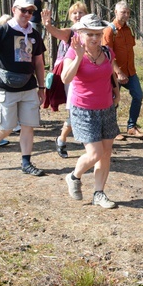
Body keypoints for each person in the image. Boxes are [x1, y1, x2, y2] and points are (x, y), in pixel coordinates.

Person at [0, 0, 47, 176]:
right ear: (14, 9)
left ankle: (26, 162)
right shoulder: (2, 31)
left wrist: (41, 87)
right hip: (6, 87)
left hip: (29, 86)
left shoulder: (34, 34)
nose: (27, 14)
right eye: (23, 10)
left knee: (27, 125)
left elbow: (39, 62)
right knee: (6, 127)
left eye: (30, 11)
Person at [61, 14, 121, 209]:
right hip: (84, 111)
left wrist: (116, 92)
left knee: (106, 153)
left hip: (106, 109)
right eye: (90, 34)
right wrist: (79, 55)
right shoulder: (72, 52)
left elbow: (110, 73)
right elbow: (65, 79)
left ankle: (99, 193)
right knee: (95, 153)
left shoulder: (108, 52)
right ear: (80, 34)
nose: (95, 38)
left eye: (98, 34)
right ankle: (73, 176)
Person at [42, 2, 88, 157]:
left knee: (84, 109)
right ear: (70, 16)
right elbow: (58, 32)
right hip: (71, 77)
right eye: (75, 13)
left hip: (89, 76)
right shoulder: (71, 33)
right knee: (75, 109)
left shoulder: (91, 32)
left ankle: (68, 139)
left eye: (81, 12)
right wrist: (48, 26)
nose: (78, 15)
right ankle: (63, 139)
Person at [102, 1, 143, 139]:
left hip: (130, 71)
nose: (126, 15)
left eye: (127, 12)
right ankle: (113, 130)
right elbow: (108, 54)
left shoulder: (128, 29)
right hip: (114, 73)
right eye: (123, 12)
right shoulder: (109, 30)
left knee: (138, 95)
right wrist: (118, 72)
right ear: (115, 12)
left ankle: (131, 126)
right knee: (113, 100)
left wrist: (127, 71)